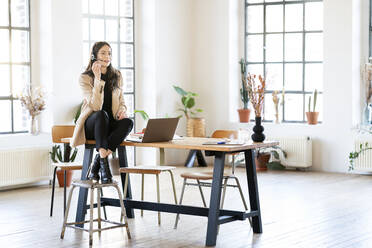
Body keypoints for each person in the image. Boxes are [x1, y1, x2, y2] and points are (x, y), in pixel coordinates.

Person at [70, 41, 133, 184]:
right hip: (93, 124)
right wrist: (97, 78)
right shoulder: (85, 78)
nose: (107, 56)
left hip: (110, 125)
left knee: (128, 122)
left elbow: (122, 101)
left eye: (109, 53)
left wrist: (122, 111)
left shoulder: (117, 75)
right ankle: (105, 170)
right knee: (101, 115)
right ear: (94, 56)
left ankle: (99, 161)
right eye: (103, 53)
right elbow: (96, 106)